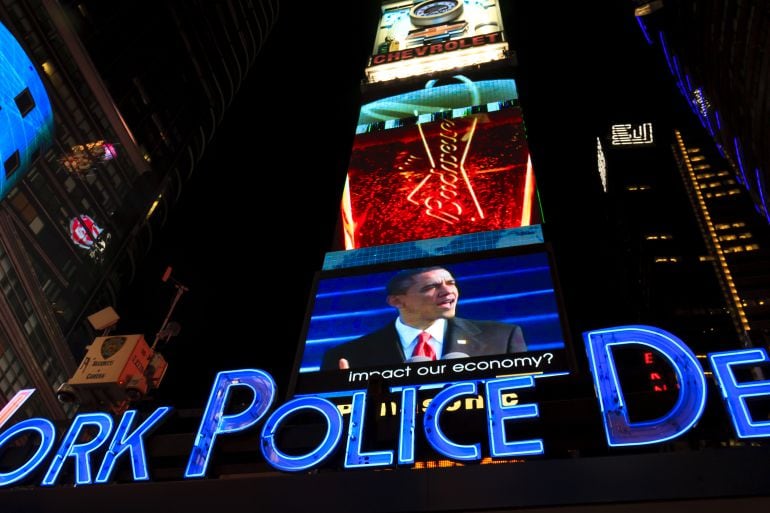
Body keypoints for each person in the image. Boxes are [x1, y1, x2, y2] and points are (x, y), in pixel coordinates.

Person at [321, 266, 526, 371]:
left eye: (450, 283)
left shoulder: (502, 336)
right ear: (396, 301)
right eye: (431, 287)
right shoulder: (345, 356)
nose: (448, 291)